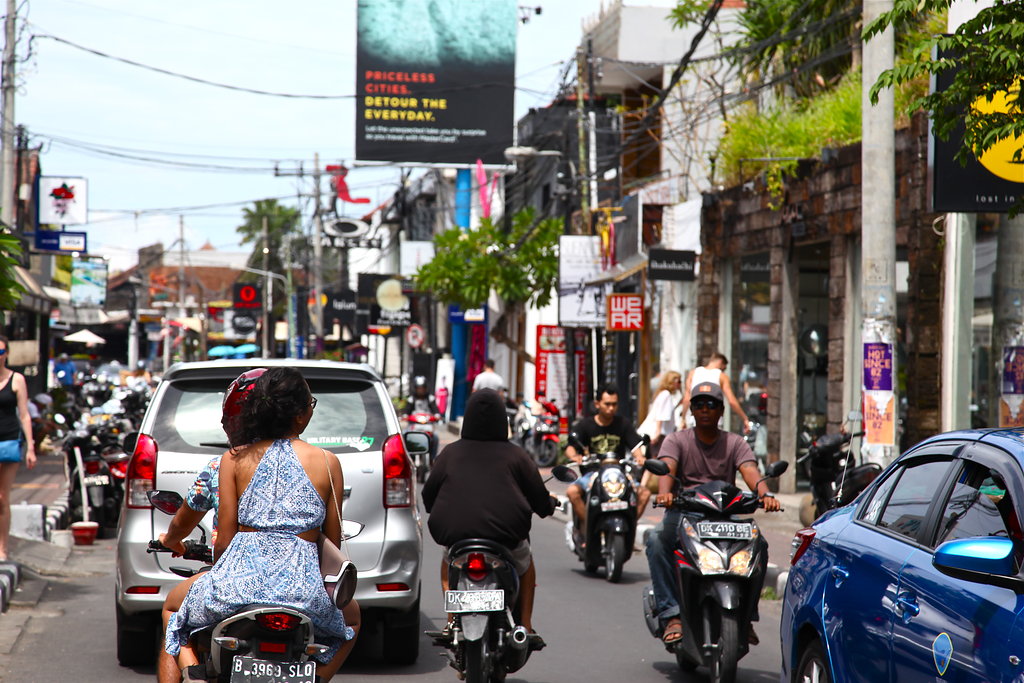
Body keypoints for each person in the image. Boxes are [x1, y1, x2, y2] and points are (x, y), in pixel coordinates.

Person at [164, 367, 359, 681]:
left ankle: (195, 675)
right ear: (299, 415)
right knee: (354, 620)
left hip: (235, 587)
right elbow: (332, 543)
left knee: (173, 610)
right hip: (304, 592)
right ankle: (317, 678)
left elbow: (224, 539)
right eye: (311, 404)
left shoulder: (234, 458)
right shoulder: (327, 461)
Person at [645, 382, 781, 647]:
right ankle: (671, 613)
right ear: (692, 411)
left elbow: (750, 470)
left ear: (721, 411)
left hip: (723, 516)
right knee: (657, 539)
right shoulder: (677, 440)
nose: (705, 410)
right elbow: (667, 467)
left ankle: (746, 617)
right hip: (686, 512)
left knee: (759, 546)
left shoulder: (734, 442)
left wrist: (765, 494)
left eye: (711, 405)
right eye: (698, 405)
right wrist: (665, 493)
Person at [157, 368, 265, 683]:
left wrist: (171, 539)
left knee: (174, 614)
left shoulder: (225, 464)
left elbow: (190, 524)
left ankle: (192, 674)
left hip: (233, 580)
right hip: (296, 583)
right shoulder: (312, 463)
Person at [422, 388, 556, 641]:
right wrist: (548, 505)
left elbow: (429, 495)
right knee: (526, 562)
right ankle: (525, 626)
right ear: (502, 420)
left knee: (446, 559)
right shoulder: (517, 455)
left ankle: (451, 623)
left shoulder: (449, 453)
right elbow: (539, 499)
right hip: (506, 539)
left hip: (457, 540)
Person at [564, 384, 647, 533]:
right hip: (592, 474)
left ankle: (628, 530)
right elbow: (570, 448)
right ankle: (589, 529)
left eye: (614, 404)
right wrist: (575, 457)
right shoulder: (585, 425)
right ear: (597, 404)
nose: (611, 408)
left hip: (619, 474)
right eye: (607, 404)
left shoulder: (623, 424)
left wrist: (640, 458)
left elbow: (635, 447)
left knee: (644, 493)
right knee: (572, 492)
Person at [0, 336, 36, 561]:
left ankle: (2, 548)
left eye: (0, 351)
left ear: (6, 354)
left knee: (3, 497)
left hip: (9, 441)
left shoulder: (17, 379)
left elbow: (24, 414)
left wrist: (31, 446)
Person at [638, 371, 684, 515]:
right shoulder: (665, 395)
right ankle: (643, 487)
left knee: (653, 461)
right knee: (658, 462)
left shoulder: (664, 394)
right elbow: (660, 416)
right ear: (672, 381)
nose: (679, 384)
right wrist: (657, 433)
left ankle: (642, 486)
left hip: (662, 433)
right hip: (661, 434)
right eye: (678, 381)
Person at [680, 352, 750, 434]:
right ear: (720, 362)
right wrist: (744, 418)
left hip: (695, 420)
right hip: (714, 423)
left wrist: (683, 418)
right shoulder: (722, 376)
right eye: (724, 368)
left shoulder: (693, 373)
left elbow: (687, 398)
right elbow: (731, 401)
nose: (723, 370)